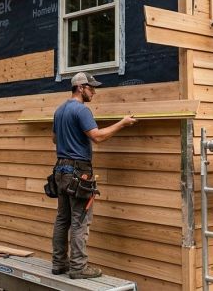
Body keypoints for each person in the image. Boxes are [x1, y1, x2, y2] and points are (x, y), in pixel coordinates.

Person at [51, 72, 137, 279]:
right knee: (80, 221)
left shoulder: (59, 110)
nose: (94, 92)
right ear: (80, 87)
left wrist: (70, 140)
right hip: (79, 173)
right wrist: (122, 123)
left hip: (60, 171)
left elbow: (55, 139)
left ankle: (58, 264)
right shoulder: (81, 110)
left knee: (63, 219)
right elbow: (97, 137)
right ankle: (78, 268)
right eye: (91, 88)